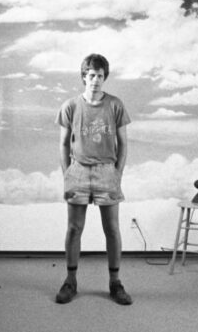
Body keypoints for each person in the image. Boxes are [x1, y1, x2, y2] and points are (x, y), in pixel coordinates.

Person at [54, 53, 132, 305]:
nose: (95, 80)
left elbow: (123, 144)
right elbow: (63, 144)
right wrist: (67, 173)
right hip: (78, 170)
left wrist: (117, 173)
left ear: (104, 77)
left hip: (106, 169)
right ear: (83, 77)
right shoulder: (70, 106)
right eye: (91, 75)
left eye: (100, 75)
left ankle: (115, 283)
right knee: (74, 228)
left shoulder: (115, 105)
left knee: (112, 228)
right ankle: (70, 281)